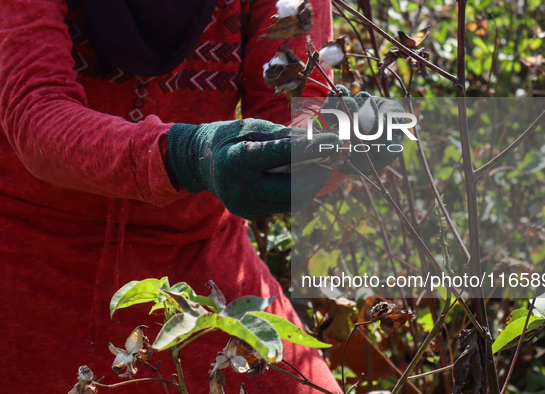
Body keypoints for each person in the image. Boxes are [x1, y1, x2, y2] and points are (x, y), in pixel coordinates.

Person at [0, 0, 344, 392]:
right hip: (26, 254)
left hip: (197, 255)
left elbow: (295, 105)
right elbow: (34, 111)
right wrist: (188, 155)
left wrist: (328, 148)